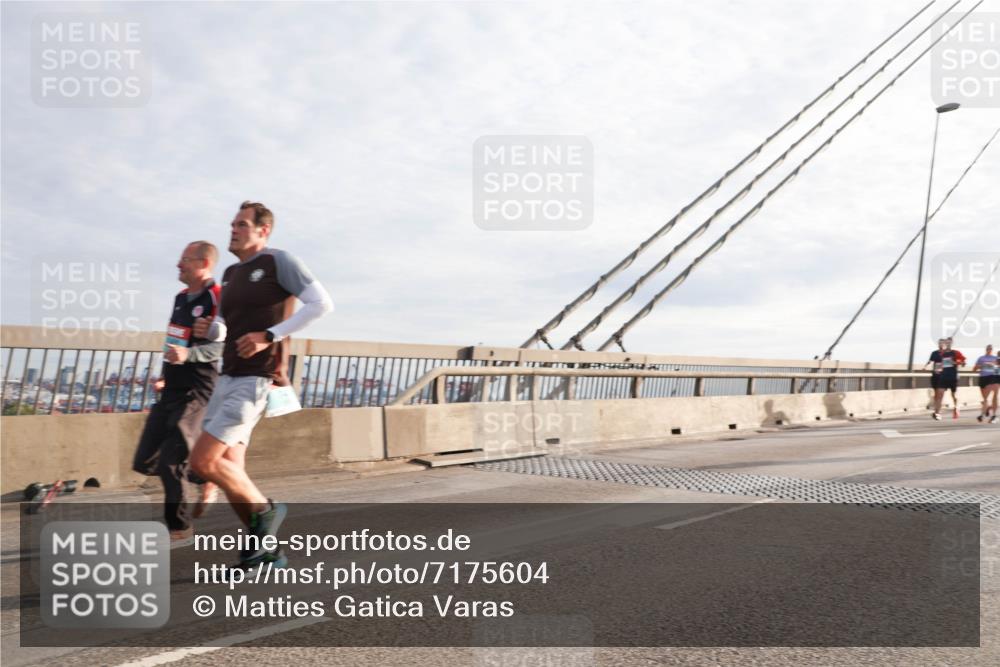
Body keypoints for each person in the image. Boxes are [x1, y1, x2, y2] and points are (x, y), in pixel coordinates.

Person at [189, 201, 333, 569]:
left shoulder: (278, 262)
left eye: (241, 224)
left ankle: (267, 512)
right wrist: (212, 330)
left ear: (262, 230)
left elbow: (321, 304)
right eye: (232, 224)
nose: (232, 229)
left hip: (256, 378)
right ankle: (263, 552)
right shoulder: (232, 274)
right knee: (231, 468)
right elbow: (225, 327)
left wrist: (270, 335)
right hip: (228, 375)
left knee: (204, 461)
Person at [132, 242, 222, 544]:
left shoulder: (217, 296)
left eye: (184, 260)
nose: (178, 265)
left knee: (172, 461)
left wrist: (188, 357)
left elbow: (223, 345)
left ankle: (179, 527)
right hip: (172, 386)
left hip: (198, 389)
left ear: (204, 263)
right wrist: (164, 374)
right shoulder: (181, 298)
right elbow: (175, 340)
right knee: (145, 460)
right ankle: (205, 475)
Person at [922, 337, 966, 420]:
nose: (947, 344)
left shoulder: (956, 353)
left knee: (954, 395)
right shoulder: (942, 354)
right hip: (943, 377)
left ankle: (956, 407)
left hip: (952, 377)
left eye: (949, 342)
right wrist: (937, 370)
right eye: (946, 342)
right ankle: (937, 413)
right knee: (939, 395)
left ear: (952, 343)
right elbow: (939, 364)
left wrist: (955, 362)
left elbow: (963, 363)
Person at [972, 344, 999, 423]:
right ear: (986, 349)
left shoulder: (995, 358)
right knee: (985, 399)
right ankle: (987, 409)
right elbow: (974, 369)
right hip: (983, 378)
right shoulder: (981, 358)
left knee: (995, 395)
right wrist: (981, 366)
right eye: (988, 348)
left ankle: (991, 415)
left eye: (990, 348)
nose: (989, 349)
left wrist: (994, 365)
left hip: (993, 378)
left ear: (992, 350)